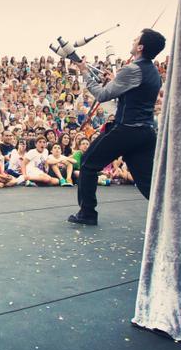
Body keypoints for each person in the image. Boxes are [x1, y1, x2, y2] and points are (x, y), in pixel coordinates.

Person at [67, 28, 165, 225]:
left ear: (140, 47)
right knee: (147, 182)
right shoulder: (154, 72)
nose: (133, 39)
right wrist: (116, 83)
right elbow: (134, 94)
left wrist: (85, 72)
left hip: (126, 129)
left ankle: (87, 213)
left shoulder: (131, 69)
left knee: (87, 164)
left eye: (136, 38)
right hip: (145, 131)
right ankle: (172, 213)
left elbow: (102, 95)